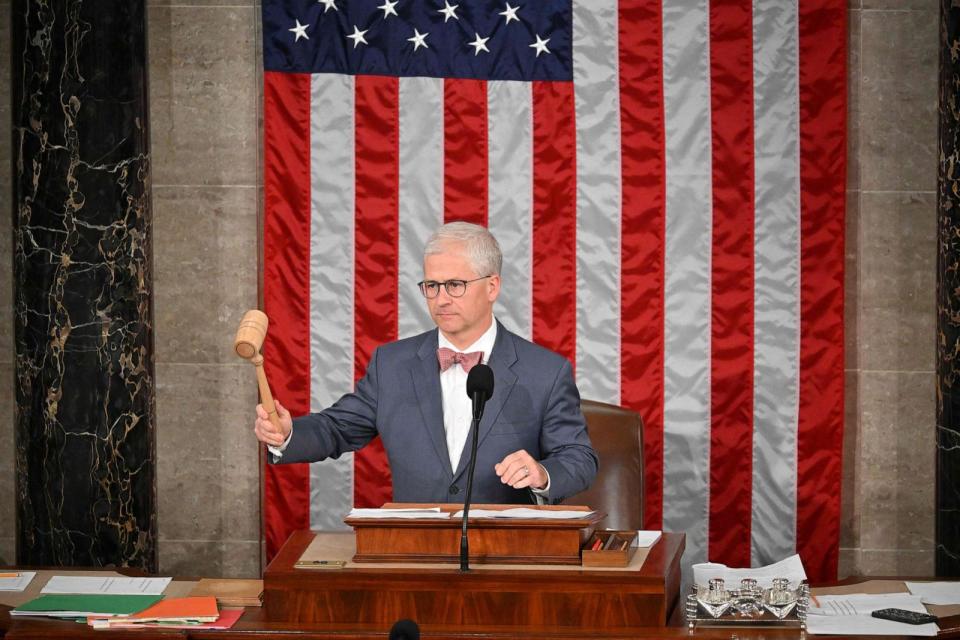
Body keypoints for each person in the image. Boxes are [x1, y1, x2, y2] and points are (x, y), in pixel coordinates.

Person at [253, 222, 597, 505]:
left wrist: (542, 473)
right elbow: (336, 428)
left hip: (508, 557)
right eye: (432, 285)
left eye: (455, 285)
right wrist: (287, 433)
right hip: (414, 556)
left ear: (492, 286)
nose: (441, 299)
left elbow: (578, 458)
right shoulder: (392, 364)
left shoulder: (545, 372)